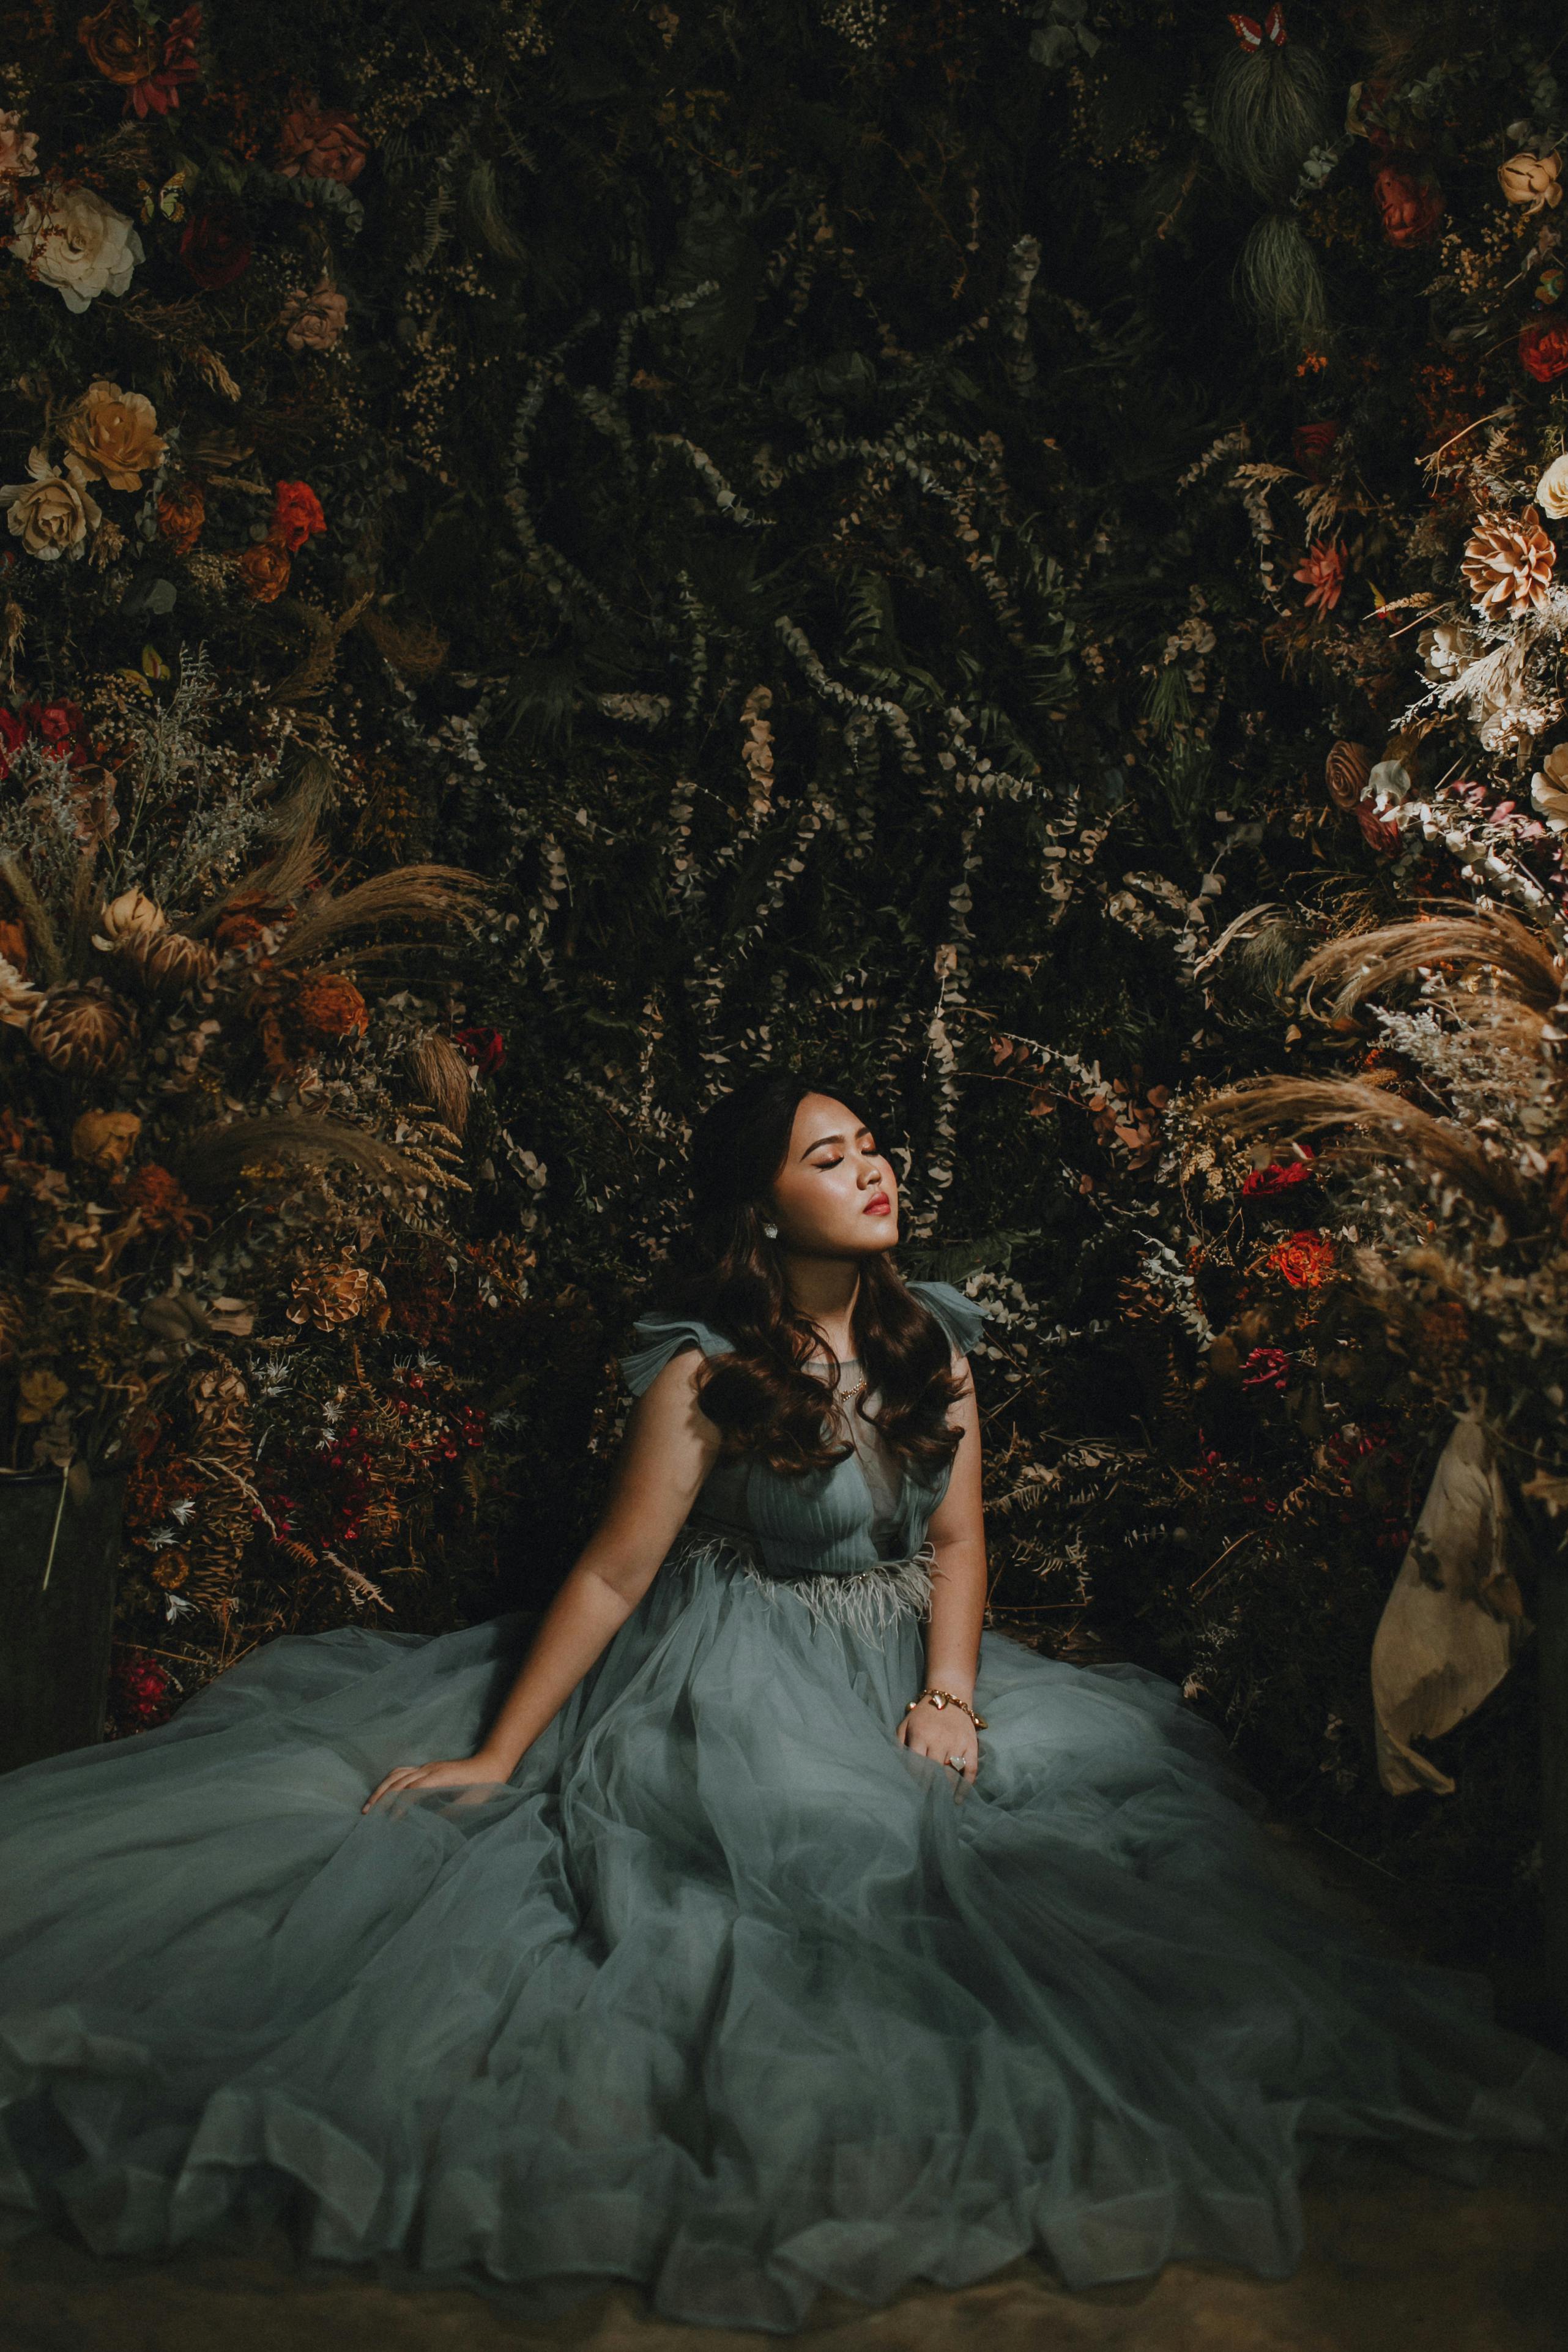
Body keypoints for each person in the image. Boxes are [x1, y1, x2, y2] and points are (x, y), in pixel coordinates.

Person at [0, 1071, 1563, 2334]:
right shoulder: (705, 1372)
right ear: (766, 1202)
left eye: (874, 1144)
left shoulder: (931, 1337)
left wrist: (950, 1692)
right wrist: (495, 1747)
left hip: (898, 1654)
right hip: (734, 1667)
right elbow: (615, 1577)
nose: (873, 1169)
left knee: (1042, 1841)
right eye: (832, 1155)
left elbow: (957, 1537)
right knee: (801, 1860)